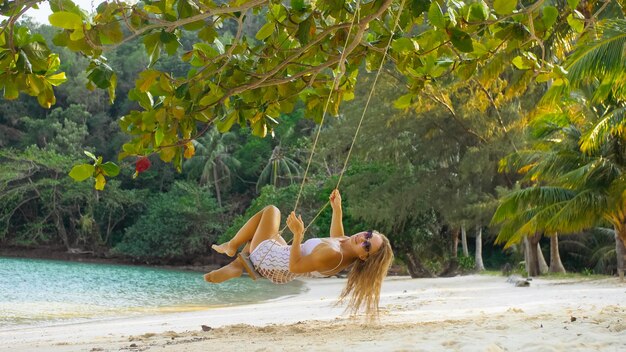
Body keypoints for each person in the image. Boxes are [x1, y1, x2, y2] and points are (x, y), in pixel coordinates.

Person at [205, 189, 394, 317]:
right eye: (368, 235)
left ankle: (232, 247)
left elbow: (294, 266)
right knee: (268, 234)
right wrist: (337, 209)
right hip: (279, 262)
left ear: (364, 257)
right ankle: (238, 265)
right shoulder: (345, 247)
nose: (362, 239)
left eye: (367, 246)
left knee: (271, 211)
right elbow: (336, 236)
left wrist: (297, 235)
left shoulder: (333, 255)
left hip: (271, 262)